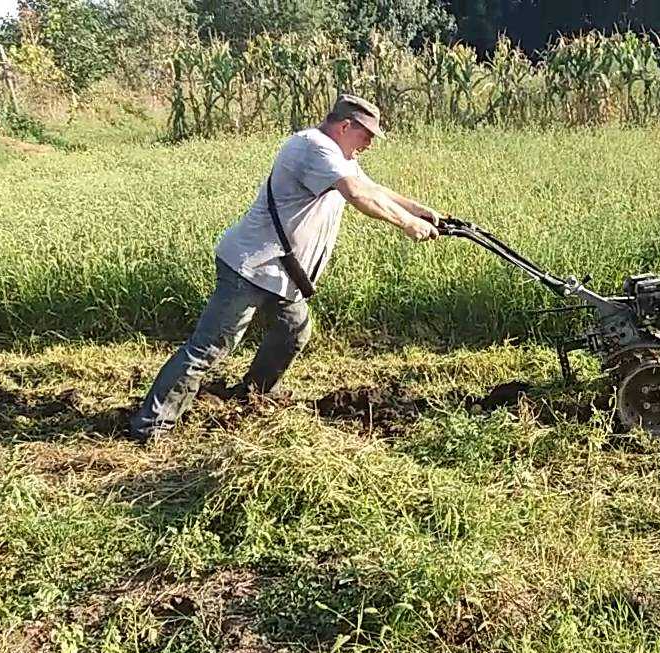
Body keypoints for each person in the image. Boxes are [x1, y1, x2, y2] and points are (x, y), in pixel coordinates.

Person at [128, 94, 441, 443]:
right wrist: (407, 225)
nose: (370, 143)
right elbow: (357, 194)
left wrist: (419, 210)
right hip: (250, 266)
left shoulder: (341, 154)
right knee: (211, 347)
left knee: (294, 331)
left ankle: (255, 395)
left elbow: (372, 188)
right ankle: (151, 426)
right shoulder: (314, 146)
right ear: (345, 126)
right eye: (367, 135)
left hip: (281, 273)